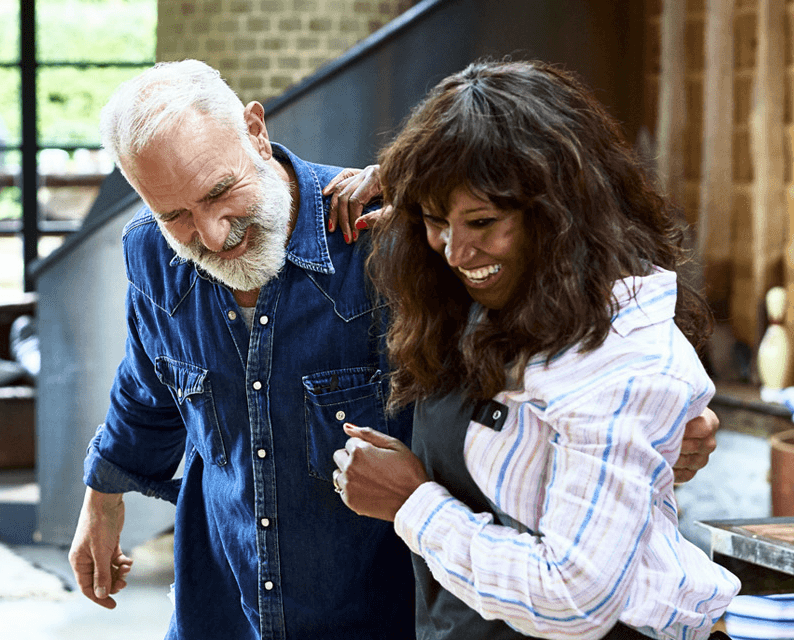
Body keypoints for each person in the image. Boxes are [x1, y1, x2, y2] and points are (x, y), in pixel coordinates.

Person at [68, 59, 723, 639]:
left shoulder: (389, 242)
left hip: (385, 616)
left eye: (218, 192)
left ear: (256, 131)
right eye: (175, 215)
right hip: (223, 614)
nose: (210, 234)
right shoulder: (152, 255)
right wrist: (104, 495)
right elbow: (150, 384)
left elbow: (550, 320)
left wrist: (651, 426)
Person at [332, 59, 739, 640]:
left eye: (482, 221)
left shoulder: (624, 357)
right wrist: (415, 184)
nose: (455, 251)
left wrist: (411, 503)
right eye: (436, 220)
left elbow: (574, 596)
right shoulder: (483, 295)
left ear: (557, 214)